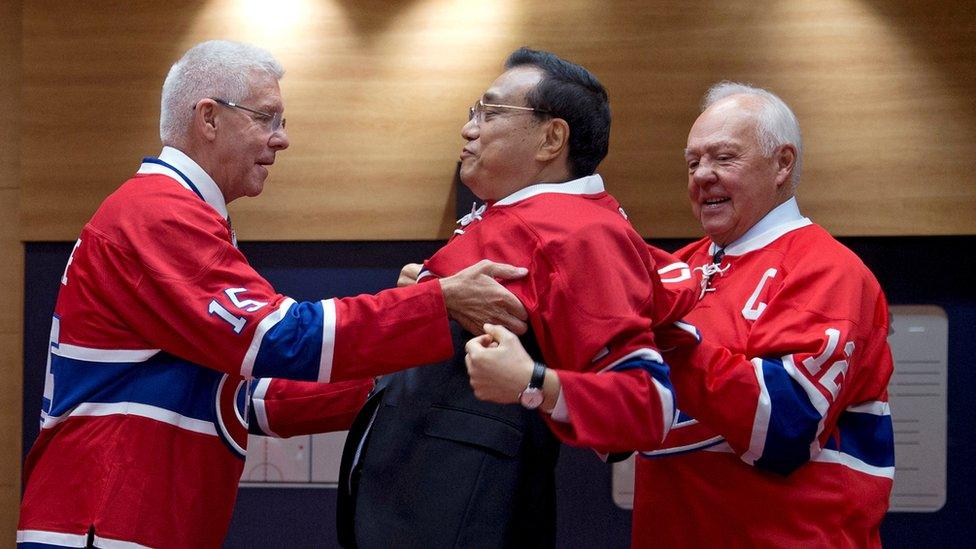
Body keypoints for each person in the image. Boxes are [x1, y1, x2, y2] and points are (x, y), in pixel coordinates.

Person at [16, 40, 530, 549]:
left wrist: (388, 383)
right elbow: (278, 338)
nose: (281, 139)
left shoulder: (174, 211)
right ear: (209, 118)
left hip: (123, 519)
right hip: (107, 521)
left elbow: (249, 397)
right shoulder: (159, 213)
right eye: (267, 118)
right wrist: (433, 304)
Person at [466, 82, 896, 548]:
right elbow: (619, 434)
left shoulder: (829, 271)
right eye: (693, 162)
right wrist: (530, 351)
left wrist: (663, 332)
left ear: (782, 164)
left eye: (723, 158)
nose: (702, 175)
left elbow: (783, 430)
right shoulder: (680, 268)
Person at [336, 47, 697, 549]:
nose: (468, 129)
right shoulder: (512, 220)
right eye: (473, 112)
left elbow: (647, 408)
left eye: (491, 112)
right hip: (408, 516)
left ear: (552, 138)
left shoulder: (580, 233)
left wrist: (531, 382)